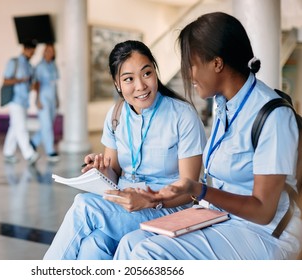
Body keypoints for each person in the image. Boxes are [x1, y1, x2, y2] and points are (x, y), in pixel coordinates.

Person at [114, 12, 302, 260]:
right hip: (223, 217)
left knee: (149, 253)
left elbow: (263, 211)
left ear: (216, 63)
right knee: (131, 243)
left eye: (191, 64)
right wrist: (158, 198)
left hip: (265, 232)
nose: (188, 75)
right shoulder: (224, 106)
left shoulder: (273, 115)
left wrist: (199, 190)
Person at [43, 40, 207, 260]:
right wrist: (101, 171)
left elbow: (191, 191)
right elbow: (114, 173)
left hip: (167, 207)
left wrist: (151, 200)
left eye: (146, 73)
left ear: (155, 72)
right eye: (129, 79)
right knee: (94, 245)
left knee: (85, 207)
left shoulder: (183, 115)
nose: (140, 86)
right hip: (123, 207)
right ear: (117, 84)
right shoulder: (116, 114)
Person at [2, 39, 40, 165]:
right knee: (22, 127)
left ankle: (8, 153)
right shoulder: (14, 62)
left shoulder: (30, 66)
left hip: (24, 101)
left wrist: (33, 86)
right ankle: (29, 154)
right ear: (24, 49)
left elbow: (30, 85)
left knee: (15, 127)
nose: (32, 54)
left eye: (34, 52)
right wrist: (20, 80)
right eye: (31, 51)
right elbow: (6, 81)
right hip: (15, 100)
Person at [30, 43, 60, 162]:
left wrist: (57, 99)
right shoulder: (39, 66)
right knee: (46, 125)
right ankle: (50, 151)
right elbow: (36, 84)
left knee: (48, 124)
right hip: (43, 99)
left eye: (51, 51)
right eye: (47, 50)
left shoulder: (54, 66)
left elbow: (55, 85)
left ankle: (33, 142)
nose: (49, 53)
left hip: (52, 99)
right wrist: (37, 100)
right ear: (44, 52)